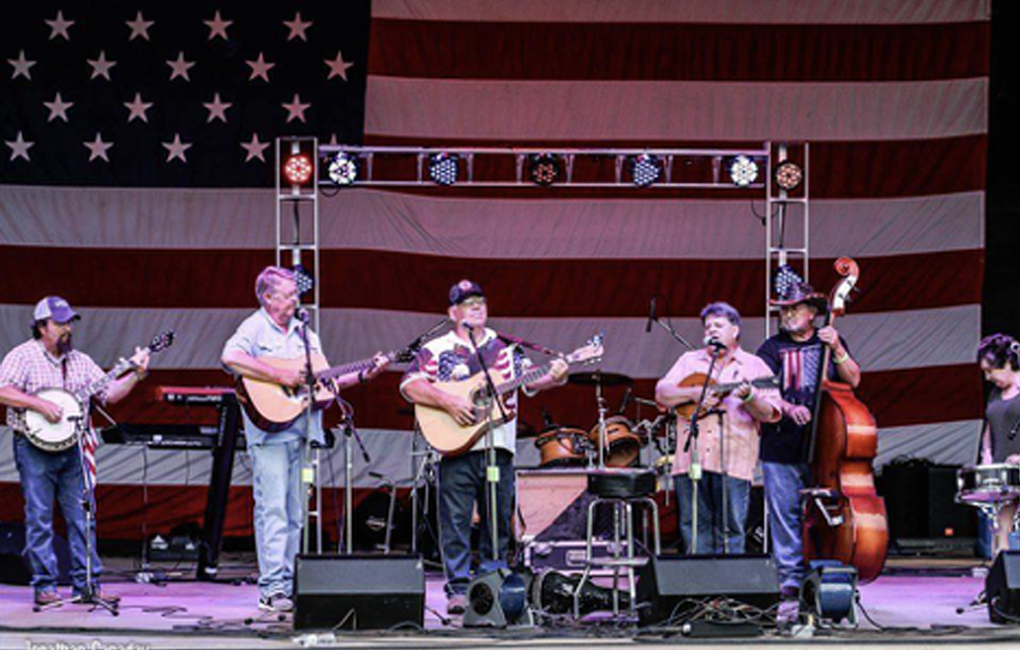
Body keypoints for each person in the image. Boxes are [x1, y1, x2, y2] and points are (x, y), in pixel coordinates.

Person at [221, 266, 388, 612]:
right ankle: (272, 589)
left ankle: (289, 583)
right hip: (269, 434)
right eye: (288, 295)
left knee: (296, 513)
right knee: (273, 509)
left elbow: (326, 382)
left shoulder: (305, 334)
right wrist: (280, 374)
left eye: (296, 294)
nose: (296, 300)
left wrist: (365, 374)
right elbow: (230, 357)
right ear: (268, 297)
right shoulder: (254, 326)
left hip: (302, 430)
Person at [400, 279, 569, 615]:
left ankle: (492, 584)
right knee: (456, 520)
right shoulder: (435, 348)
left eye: (480, 301)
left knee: (498, 520)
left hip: (498, 446)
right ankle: (459, 589)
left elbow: (533, 381)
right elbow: (409, 385)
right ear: (453, 312)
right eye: (468, 303)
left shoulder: (505, 348)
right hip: (455, 446)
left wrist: (557, 374)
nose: (477, 306)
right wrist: (449, 401)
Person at [0, 296, 150, 606]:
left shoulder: (80, 361)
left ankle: (87, 585)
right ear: (42, 327)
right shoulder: (23, 356)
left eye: (69, 323)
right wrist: (39, 404)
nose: (67, 329)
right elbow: (3, 390)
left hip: (73, 448)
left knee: (83, 516)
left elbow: (109, 394)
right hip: (33, 446)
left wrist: (135, 374)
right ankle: (45, 587)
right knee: (39, 516)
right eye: (60, 323)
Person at [755, 281, 860, 601]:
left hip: (827, 447)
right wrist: (789, 408)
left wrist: (838, 348)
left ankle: (831, 572)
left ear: (813, 312)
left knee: (828, 513)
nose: (787, 315)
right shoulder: (771, 348)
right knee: (785, 513)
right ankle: (790, 577)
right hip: (781, 444)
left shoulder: (829, 341)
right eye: (783, 310)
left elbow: (854, 380)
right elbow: (763, 390)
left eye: (794, 308)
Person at [655, 302, 781, 555]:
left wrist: (750, 398)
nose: (712, 330)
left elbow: (770, 413)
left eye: (718, 325)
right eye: (708, 326)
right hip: (691, 460)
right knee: (693, 528)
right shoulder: (688, 361)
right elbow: (662, 393)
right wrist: (693, 393)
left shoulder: (754, 366)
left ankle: (728, 580)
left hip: (734, 461)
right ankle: (696, 579)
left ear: (735, 330)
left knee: (730, 529)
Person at [976, 333, 1020, 556]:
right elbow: (990, 426)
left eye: (991, 370)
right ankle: (1000, 575)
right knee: (1001, 527)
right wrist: (986, 454)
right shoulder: (995, 393)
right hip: (1004, 472)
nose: (988, 377)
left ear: (1009, 363)